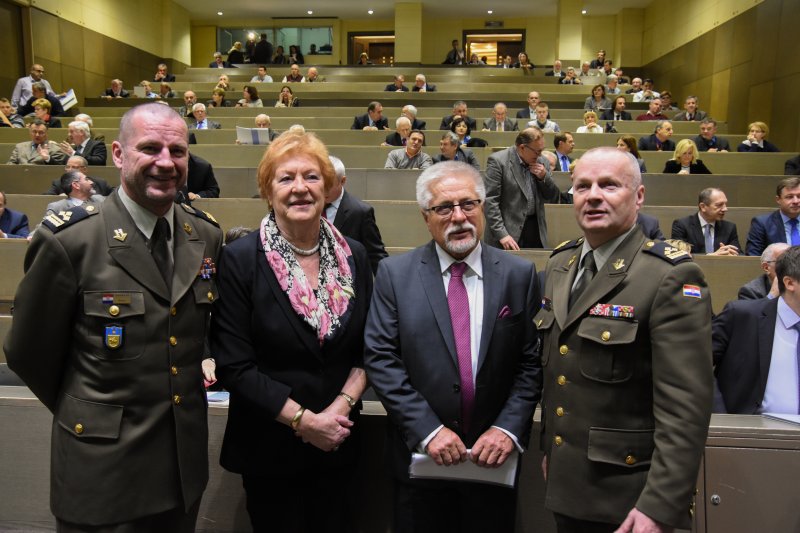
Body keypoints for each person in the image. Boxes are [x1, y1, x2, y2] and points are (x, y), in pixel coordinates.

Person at [4, 102, 223, 530]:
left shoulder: (205, 234)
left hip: (182, 470)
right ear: (119, 155)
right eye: (150, 148)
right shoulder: (72, 239)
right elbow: (28, 352)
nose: (166, 162)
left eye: (177, 151)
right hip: (101, 469)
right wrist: (90, 411)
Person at [535, 147, 712, 532]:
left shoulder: (669, 276)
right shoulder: (560, 264)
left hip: (631, 497)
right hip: (568, 484)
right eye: (583, 186)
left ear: (639, 195)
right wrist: (553, 451)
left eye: (609, 185)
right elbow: (560, 372)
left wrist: (661, 505)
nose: (593, 196)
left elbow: (685, 408)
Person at [364, 161, 541, 533]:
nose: (459, 217)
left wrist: (507, 429)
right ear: (425, 217)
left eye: (468, 204)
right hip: (420, 464)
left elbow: (530, 364)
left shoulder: (519, 275)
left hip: (494, 464)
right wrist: (428, 430)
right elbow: (381, 359)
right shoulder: (395, 275)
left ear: (482, 207)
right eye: (444, 208)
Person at [208, 131, 371, 532]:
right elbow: (234, 364)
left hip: (340, 441)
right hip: (269, 449)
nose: (300, 187)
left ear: (328, 189)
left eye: (312, 177)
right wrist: (305, 422)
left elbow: (371, 347)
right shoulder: (240, 259)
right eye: (286, 178)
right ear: (268, 191)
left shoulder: (355, 254)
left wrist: (337, 411)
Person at [713, 246, 800, 414]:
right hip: (749, 427)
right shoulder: (742, 316)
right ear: (789, 283)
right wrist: (720, 416)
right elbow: (696, 365)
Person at [484, 128, 560, 250]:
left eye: (542, 150)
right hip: (507, 229)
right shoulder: (498, 161)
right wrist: (501, 234)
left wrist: (544, 177)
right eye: (537, 151)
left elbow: (552, 196)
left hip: (535, 228)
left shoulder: (542, 162)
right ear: (522, 147)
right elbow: (490, 201)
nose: (540, 155)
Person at [326, 155, 388, 274]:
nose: (322, 189)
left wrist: (388, 281)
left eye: (328, 185)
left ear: (342, 181)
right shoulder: (307, 205)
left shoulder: (361, 212)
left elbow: (375, 254)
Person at [671, 187, 740, 255]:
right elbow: (677, 255)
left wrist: (732, 255)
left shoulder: (729, 227)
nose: (725, 209)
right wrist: (711, 257)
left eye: (725, 204)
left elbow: (740, 254)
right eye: (719, 205)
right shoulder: (682, 225)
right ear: (703, 207)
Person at [745, 177, 800, 256]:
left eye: (799, 196)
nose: (796, 201)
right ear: (778, 200)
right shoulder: (762, 224)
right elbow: (753, 256)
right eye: (789, 197)